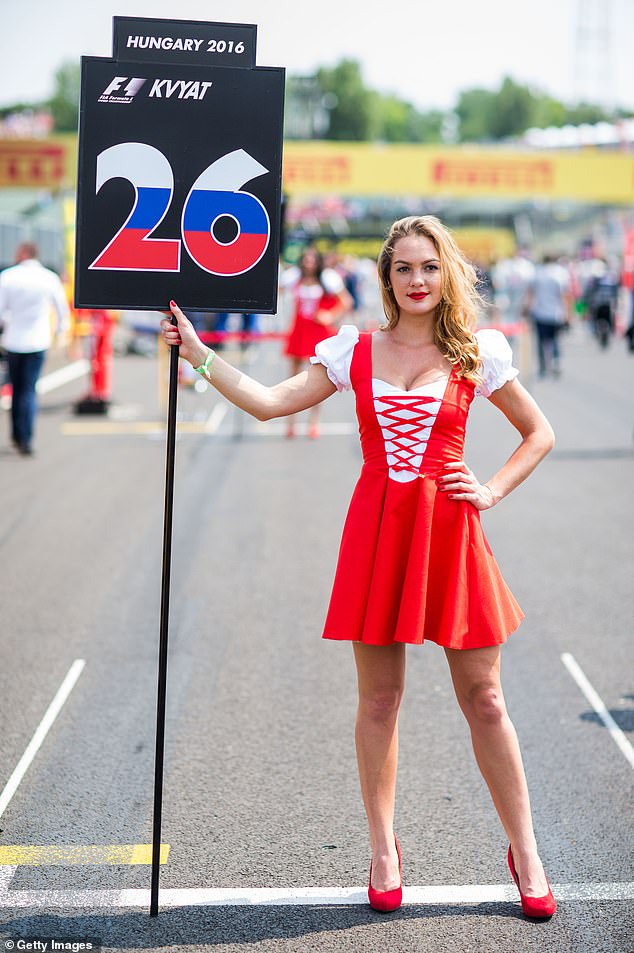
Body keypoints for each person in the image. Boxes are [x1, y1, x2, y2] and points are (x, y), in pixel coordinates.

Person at [161, 215, 557, 920]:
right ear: (385, 276)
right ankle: (383, 847)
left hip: (450, 533)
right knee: (379, 701)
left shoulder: (477, 350)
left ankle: (525, 848)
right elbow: (270, 403)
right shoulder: (355, 351)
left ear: (448, 273)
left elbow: (539, 433)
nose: (417, 280)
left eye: (429, 267)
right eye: (404, 268)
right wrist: (198, 353)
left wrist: (490, 488)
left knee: (486, 699)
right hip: (379, 532)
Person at [0, 241, 70, 454]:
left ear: (22, 254)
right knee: (29, 390)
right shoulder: (49, 278)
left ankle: (16, 433)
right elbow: (62, 311)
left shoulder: (8, 276)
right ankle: (26, 439)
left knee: (16, 388)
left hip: (13, 340)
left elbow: (1, 311)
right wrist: (59, 333)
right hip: (38, 341)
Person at [281, 247, 352, 438]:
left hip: (317, 331)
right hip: (299, 329)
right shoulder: (294, 277)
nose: (308, 263)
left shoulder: (327, 278)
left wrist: (329, 315)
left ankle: (313, 423)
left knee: (318, 379)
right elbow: (277, 291)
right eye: (305, 259)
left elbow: (346, 301)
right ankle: (290, 422)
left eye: (312, 260)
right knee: (292, 379)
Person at [525, 254, 571, 377]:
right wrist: (567, 313)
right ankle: (556, 362)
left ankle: (543, 366)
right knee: (556, 338)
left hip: (540, 312)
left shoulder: (537, 273)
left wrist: (526, 308)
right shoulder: (560, 273)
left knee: (541, 340)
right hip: (556, 312)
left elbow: (530, 293)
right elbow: (565, 295)